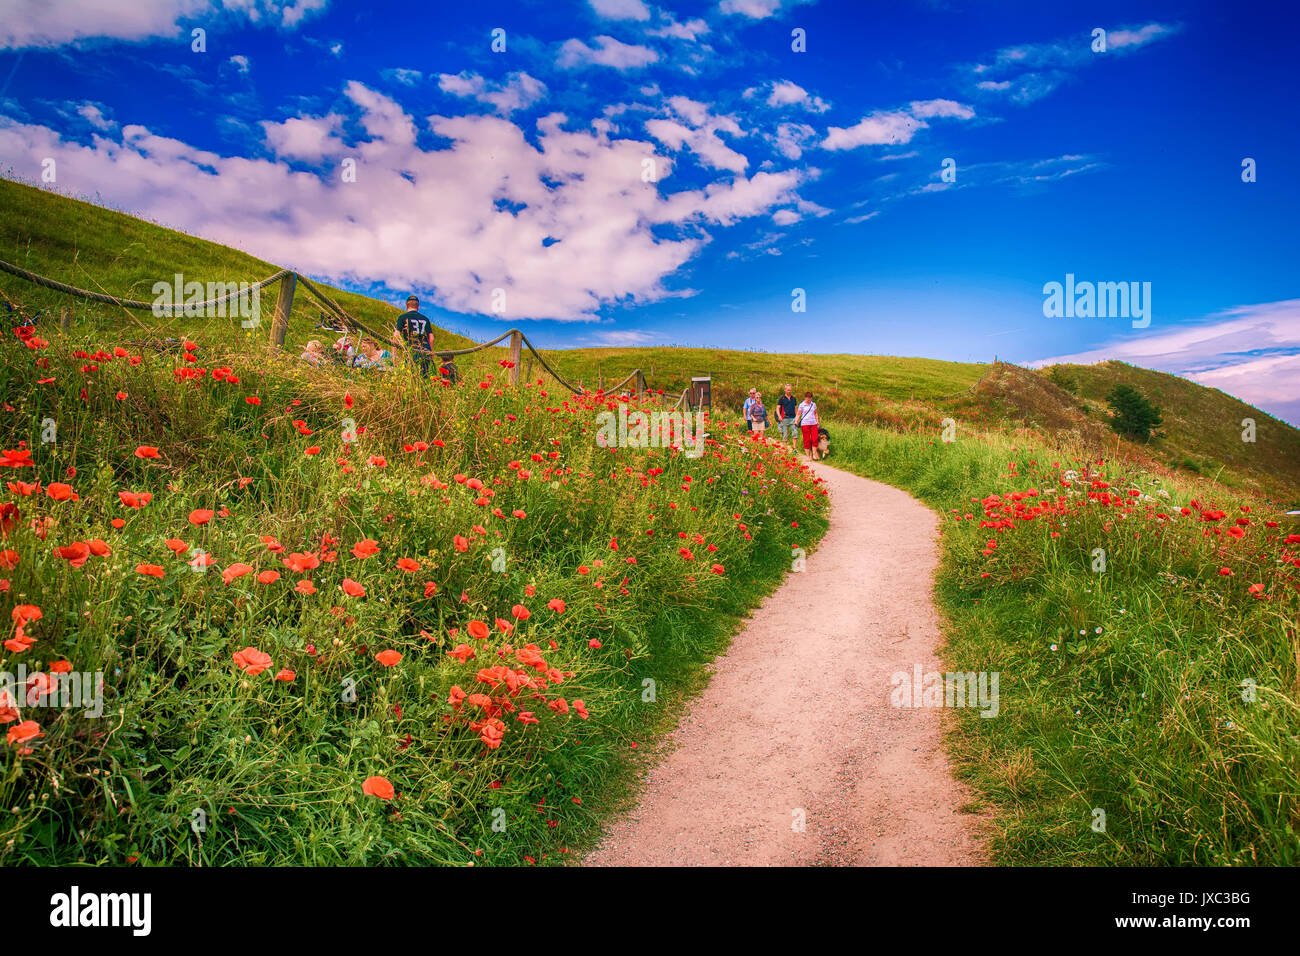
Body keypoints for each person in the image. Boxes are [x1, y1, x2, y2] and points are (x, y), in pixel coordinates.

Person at [394, 294, 434, 377]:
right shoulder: (425, 319)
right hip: (425, 350)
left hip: (411, 349)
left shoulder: (402, 317)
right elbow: (431, 338)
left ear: (406, 306)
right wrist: (429, 351)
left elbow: (396, 335)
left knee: (409, 376)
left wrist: (394, 355)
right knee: (423, 377)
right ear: (418, 306)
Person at [796, 390, 820, 460]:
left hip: (813, 424)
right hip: (805, 424)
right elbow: (798, 414)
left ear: (811, 398)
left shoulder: (813, 404)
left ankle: (814, 454)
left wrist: (817, 421)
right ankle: (808, 456)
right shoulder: (802, 405)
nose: (808, 399)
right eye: (807, 398)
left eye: (810, 398)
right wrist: (796, 421)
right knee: (806, 440)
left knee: (815, 439)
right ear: (805, 398)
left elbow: (815, 413)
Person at [776, 383, 797, 447]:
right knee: (785, 434)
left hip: (793, 418)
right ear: (785, 390)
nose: (789, 391)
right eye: (788, 390)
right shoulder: (781, 399)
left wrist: (797, 418)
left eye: (790, 390)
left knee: (795, 433)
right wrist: (779, 416)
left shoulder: (793, 398)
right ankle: (785, 449)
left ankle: (794, 448)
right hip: (784, 418)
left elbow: (796, 409)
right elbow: (777, 408)